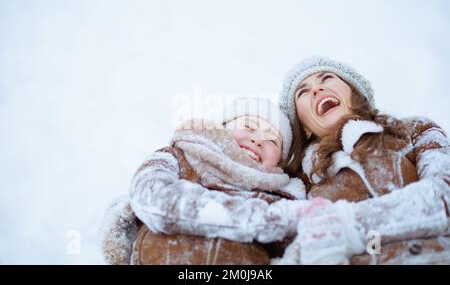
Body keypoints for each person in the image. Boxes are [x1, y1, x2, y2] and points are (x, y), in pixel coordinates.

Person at [275, 55, 450, 264]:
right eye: (302, 91)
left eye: (326, 78)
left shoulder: (414, 130)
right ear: (303, 126)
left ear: (354, 91)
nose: (316, 90)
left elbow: (444, 191)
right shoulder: (300, 184)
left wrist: (350, 226)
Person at [100, 97, 308, 264]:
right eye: (248, 126)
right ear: (222, 128)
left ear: (279, 162)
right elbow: (150, 194)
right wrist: (260, 219)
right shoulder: (181, 155)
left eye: (272, 140)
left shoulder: (284, 199)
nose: (258, 140)